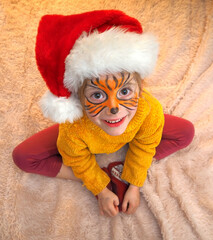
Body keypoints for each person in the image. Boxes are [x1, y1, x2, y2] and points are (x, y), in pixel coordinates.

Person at [12, 10, 194, 217]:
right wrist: (100, 187)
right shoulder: (74, 128)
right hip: (89, 129)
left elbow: (145, 146)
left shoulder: (147, 110)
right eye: (98, 95)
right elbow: (78, 159)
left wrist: (134, 183)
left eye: (124, 91)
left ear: (140, 89)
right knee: (23, 157)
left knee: (186, 132)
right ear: (78, 99)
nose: (114, 107)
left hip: (133, 122)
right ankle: (107, 169)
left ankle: (125, 163)